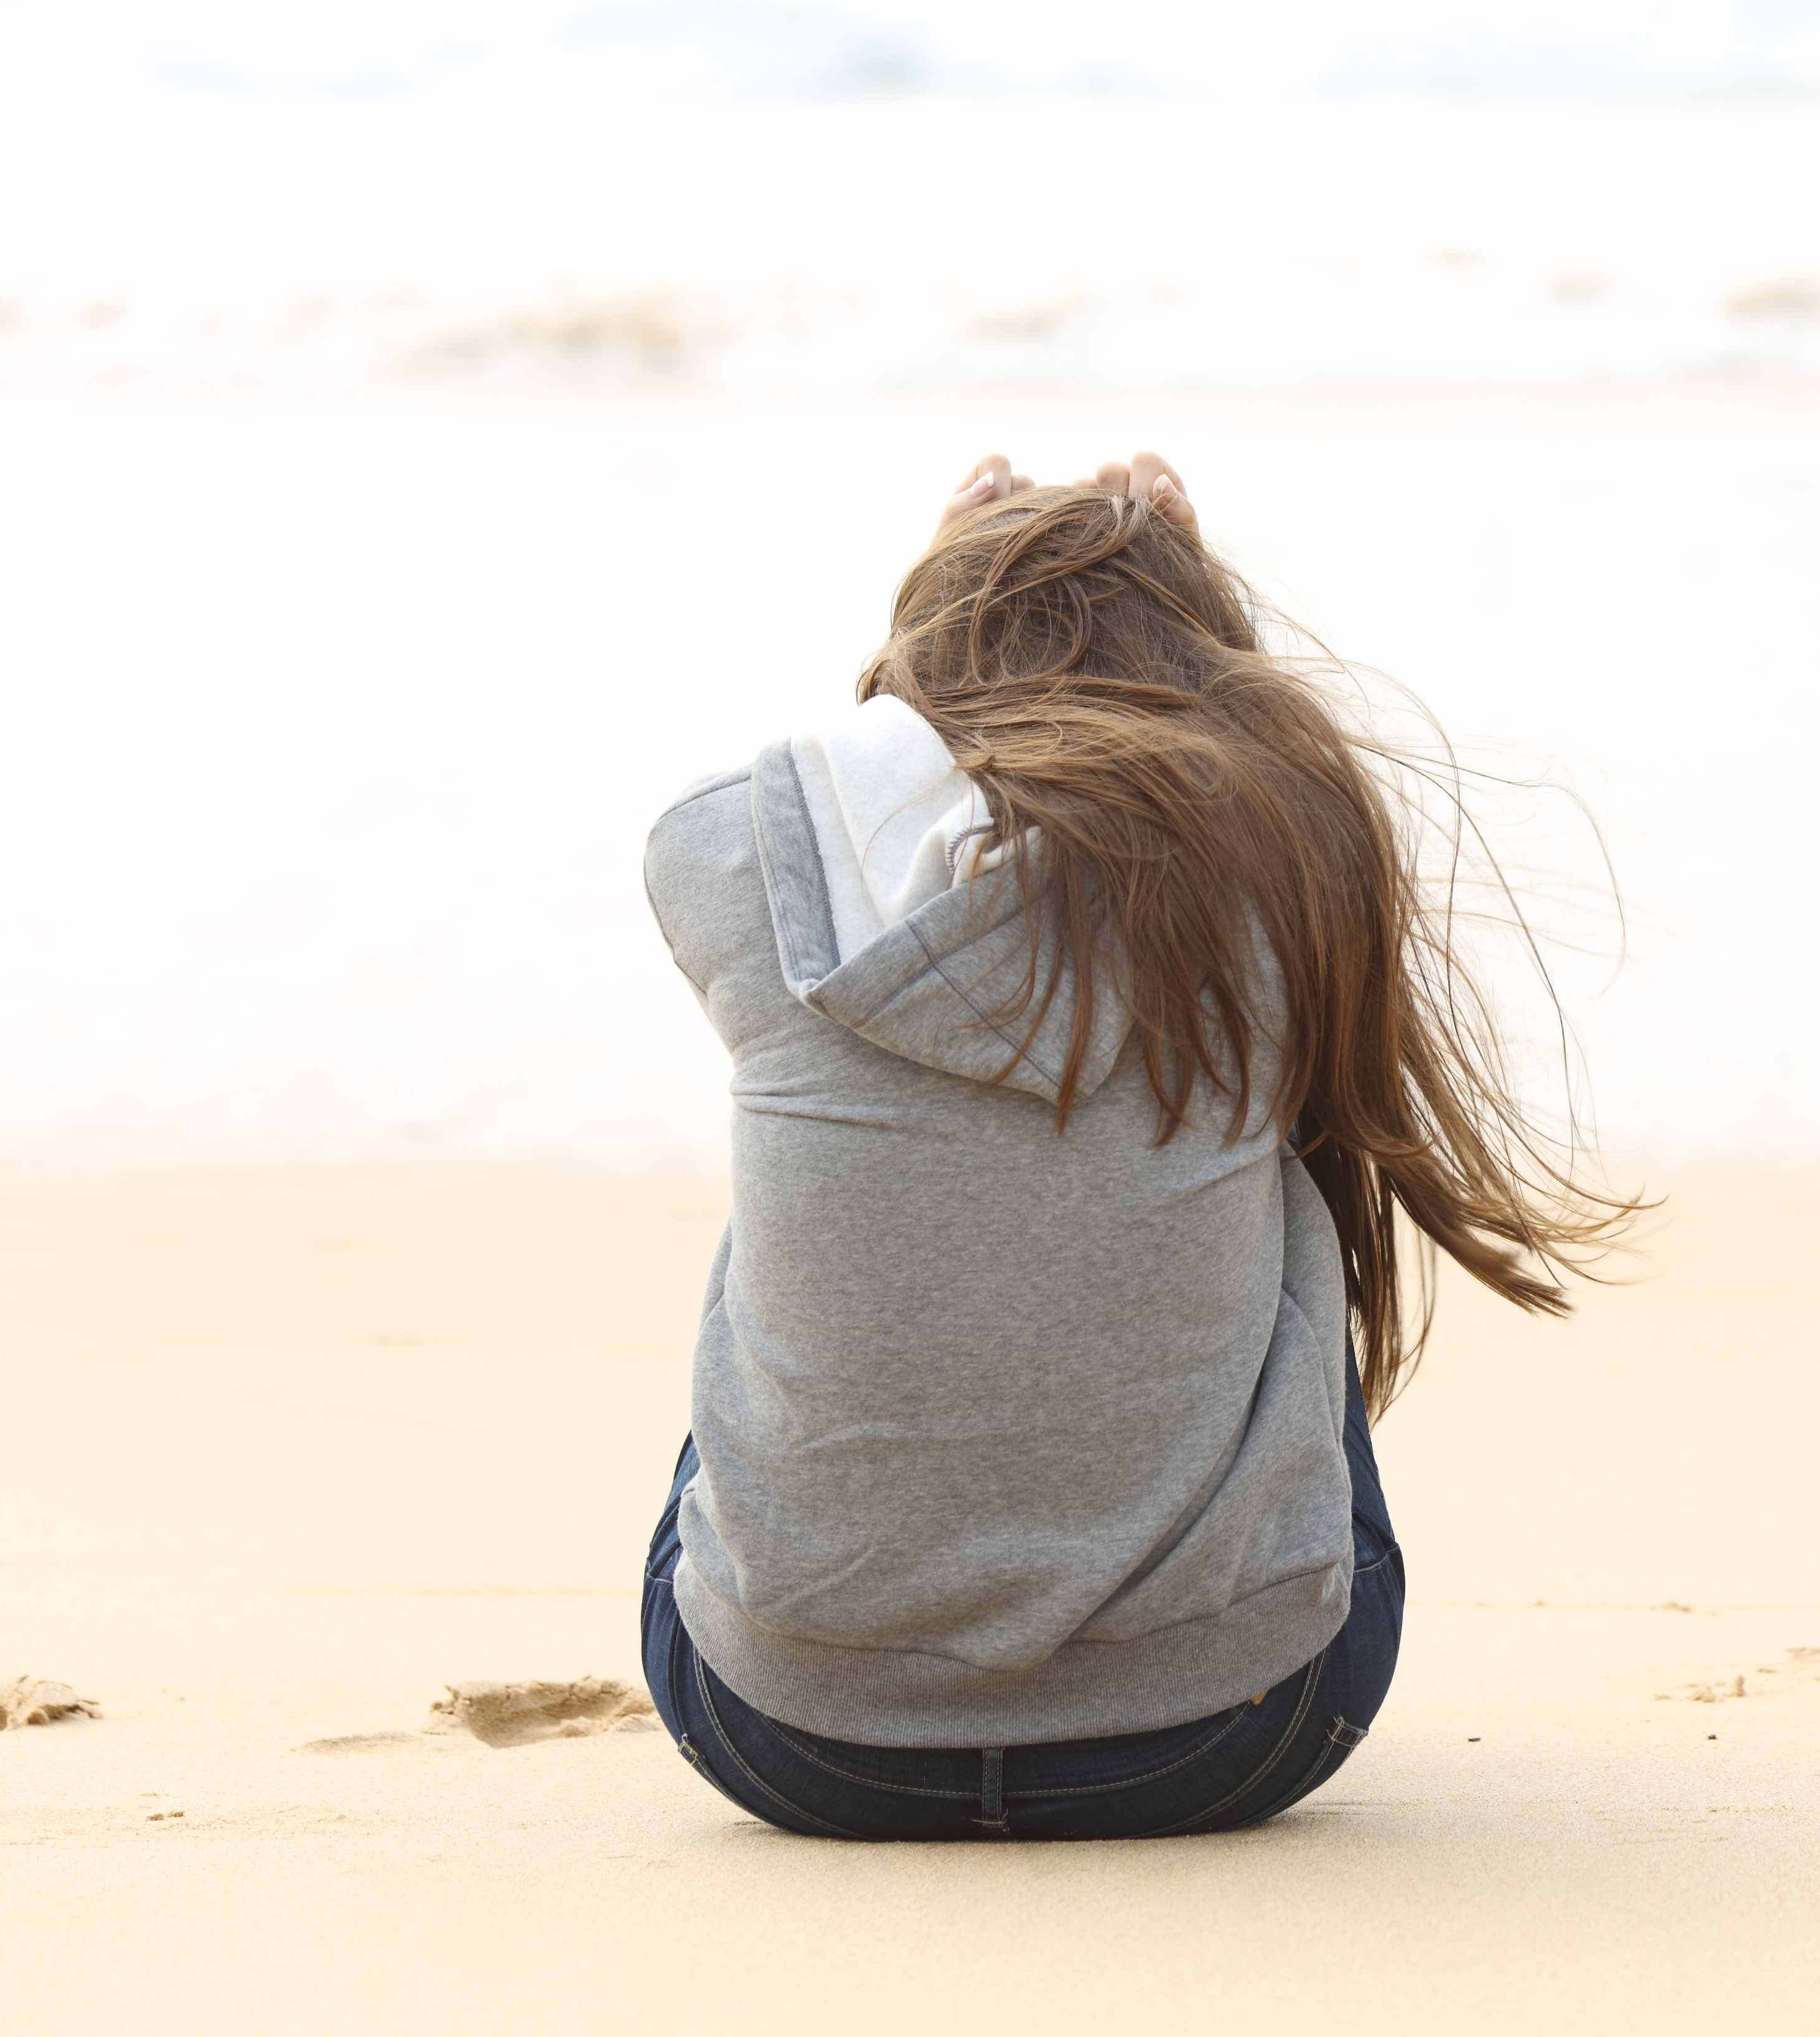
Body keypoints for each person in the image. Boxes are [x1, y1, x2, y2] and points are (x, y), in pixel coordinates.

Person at [637, 453, 1629, 1840]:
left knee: (811, 1175)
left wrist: (928, 612)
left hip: (792, 1738)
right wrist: (1194, 608)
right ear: (1203, 666)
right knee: (1277, 1173)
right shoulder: (1288, 857)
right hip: (1227, 1734)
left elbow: (841, 811)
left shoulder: (720, 852)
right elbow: (1256, 769)